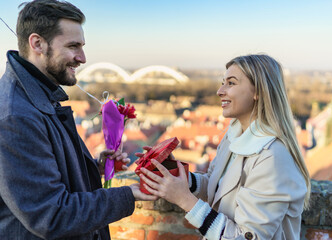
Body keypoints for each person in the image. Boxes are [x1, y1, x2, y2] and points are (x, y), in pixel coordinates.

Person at [0, 0, 156, 239]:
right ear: (37, 43)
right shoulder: (16, 116)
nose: (82, 58)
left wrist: (92, 169)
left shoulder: (36, 95)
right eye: (73, 46)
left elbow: (46, 174)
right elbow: (50, 215)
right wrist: (128, 194)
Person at [139, 54, 311, 240]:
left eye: (231, 83)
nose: (220, 91)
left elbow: (247, 237)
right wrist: (178, 174)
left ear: (258, 92)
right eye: (223, 82)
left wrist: (184, 200)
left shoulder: (273, 157)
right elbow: (216, 186)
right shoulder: (233, 136)